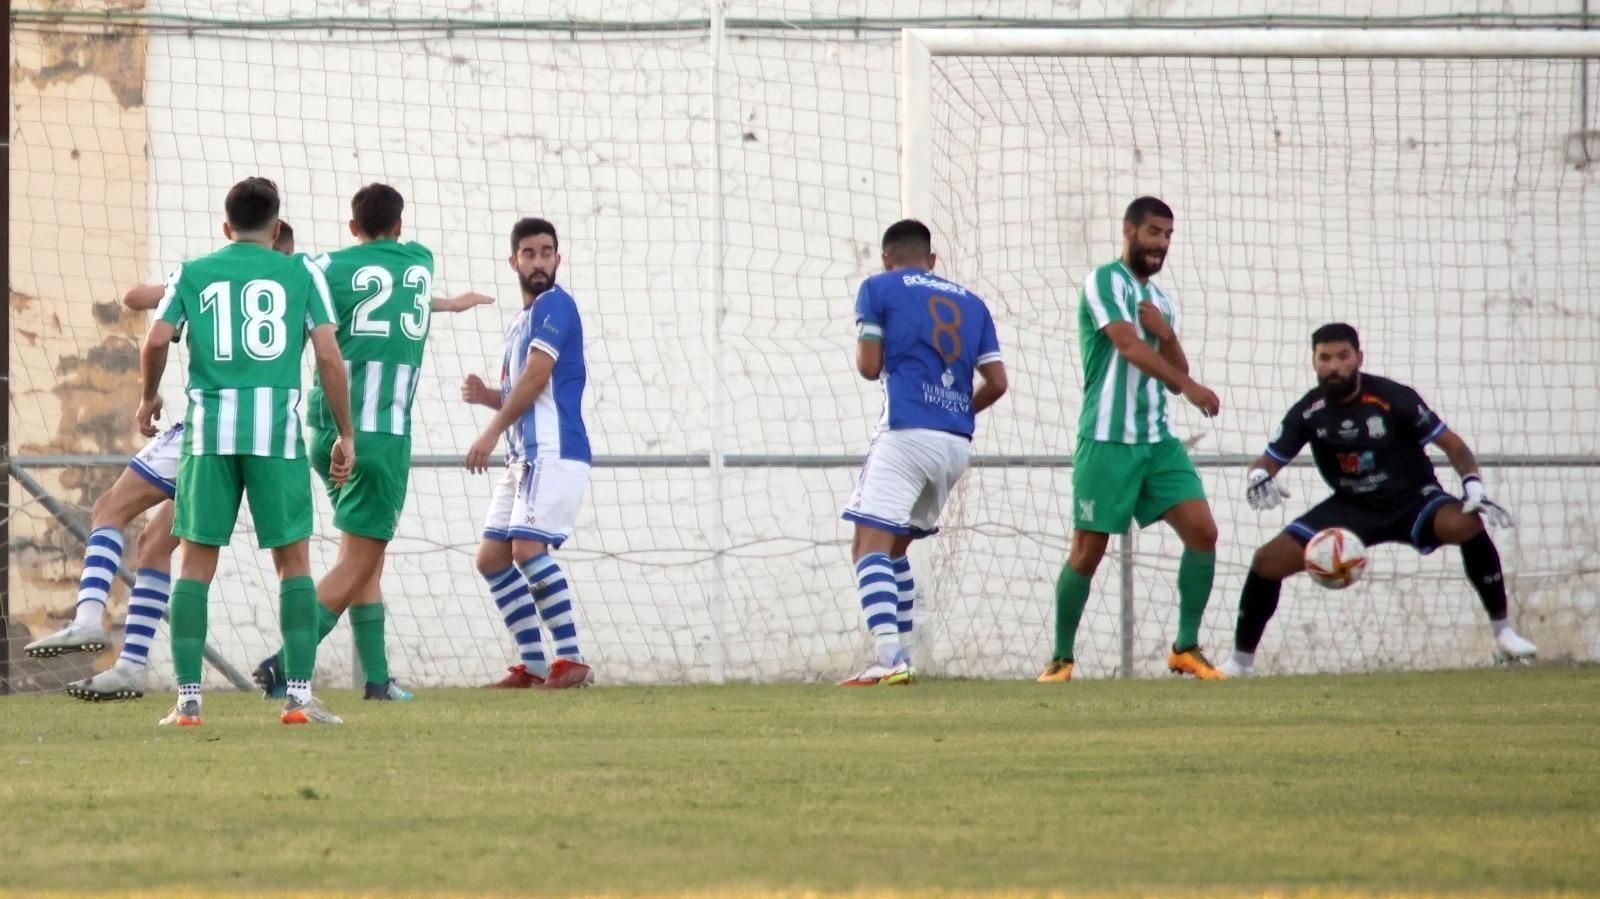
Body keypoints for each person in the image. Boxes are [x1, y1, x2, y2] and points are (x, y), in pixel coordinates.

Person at [26, 223, 299, 701]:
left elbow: (134, 300)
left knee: (111, 508)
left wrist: (180, 283)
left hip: (204, 430)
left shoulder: (206, 277)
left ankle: (89, 618)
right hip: (264, 437)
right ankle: (132, 667)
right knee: (154, 545)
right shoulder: (295, 279)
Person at [251, 183, 491, 702]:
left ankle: (377, 680)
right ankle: (285, 664)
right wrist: (450, 304)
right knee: (360, 559)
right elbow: (405, 294)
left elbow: (314, 299)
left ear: (351, 227)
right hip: (376, 435)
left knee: (365, 555)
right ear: (400, 226)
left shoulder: (324, 267)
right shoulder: (420, 261)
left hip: (325, 426)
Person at [138, 176, 355, 725]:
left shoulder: (192, 272)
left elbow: (157, 338)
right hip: (274, 438)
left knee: (195, 563)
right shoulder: (300, 271)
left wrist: (147, 399)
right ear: (277, 227)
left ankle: (188, 701)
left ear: (226, 226)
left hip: (209, 437)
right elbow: (329, 355)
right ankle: (300, 697)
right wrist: (345, 432)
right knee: (294, 562)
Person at [1218, 322, 1538, 677]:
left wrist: (1473, 488)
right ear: (1314, 362)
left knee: (1466, 523)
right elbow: (1268, 459)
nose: (1334, 366)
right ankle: (1240, 664)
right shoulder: (1309, 410)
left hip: (1412, 499)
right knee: (1266, 561)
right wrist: (1258, 475)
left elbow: (1455, 446)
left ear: (1359, 358)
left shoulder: (1392, 397)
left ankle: (1504, 631)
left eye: (1343, 356)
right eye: (1325, 358)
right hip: (1351, 506)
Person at [1038, 196, 1226, 683]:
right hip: (1106, 440)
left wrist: (1169, 335)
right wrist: (1189, 386)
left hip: (1157, 441)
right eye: (1154, 233)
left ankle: (1185, 647)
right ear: (1129, 231)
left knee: (1203, 533)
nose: (1161, 243)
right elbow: (1126, 345)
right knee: (1087, 552)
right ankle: (1060, 659)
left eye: (1168, 235)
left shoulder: (1161, 301)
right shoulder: (1105, 281)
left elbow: (1172, 373)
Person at [838, 219, 1008, 686]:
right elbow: (997, 383)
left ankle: (889, 657)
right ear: (932, 261)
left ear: (887, 259)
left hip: (905, 433)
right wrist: (953, 409)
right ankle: (905, 657)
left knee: (866, 545)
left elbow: (869, 367)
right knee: (895, 548)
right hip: (954, 444)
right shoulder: (972, 303)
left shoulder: (878, 288)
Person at [461, 217, 594, 689]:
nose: (539, 262)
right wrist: (489, 398)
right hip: (526, 458)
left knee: (527, 549)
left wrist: (491, 430)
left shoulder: (556, 305)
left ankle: (571, 660)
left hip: (554, 452)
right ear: (513, 261)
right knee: (492, 559)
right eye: (529, 254)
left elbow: (538, 376)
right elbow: (526, 392)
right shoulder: (521, 319)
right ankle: (534, 665)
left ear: (558, 258)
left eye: (547, 252)